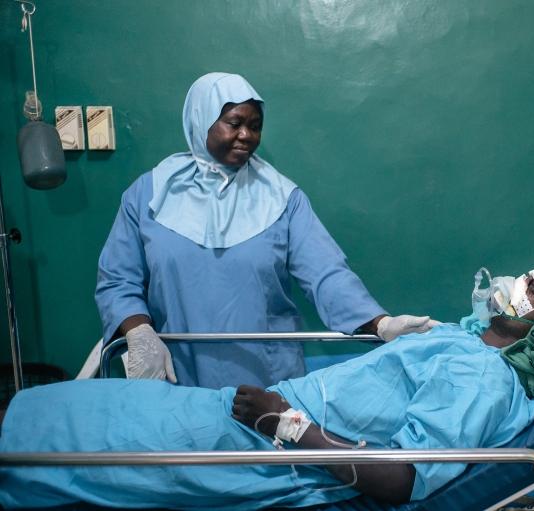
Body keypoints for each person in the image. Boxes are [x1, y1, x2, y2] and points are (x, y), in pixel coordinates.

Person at [1, 264, 534, 509]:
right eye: (525, 277)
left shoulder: (485, 382)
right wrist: (395, 329)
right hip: (251, 413)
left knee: (83, 439)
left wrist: (288, 426)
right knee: (84, 407)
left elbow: (404, 481)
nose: (516, 288)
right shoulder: (467, 339)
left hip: (275, 452)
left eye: (533, 294)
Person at [95, 72, 437, 389]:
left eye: (255, 126)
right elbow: (117, 279)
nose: (246, 135)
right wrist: (138, 332)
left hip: (267, 381)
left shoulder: (282, 198)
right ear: (201, 120)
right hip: (176, 370)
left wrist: (381, 324)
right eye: (234, 123)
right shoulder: (150, 194)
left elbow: (326, 275)